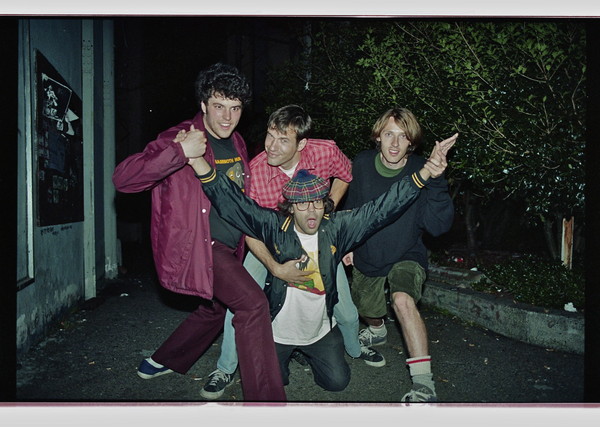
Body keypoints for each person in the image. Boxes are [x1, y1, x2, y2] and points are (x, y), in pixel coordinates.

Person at [184, 128, 456, 392]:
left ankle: (324, 349)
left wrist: (426, 172)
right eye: (301, 203)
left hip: (319, 333)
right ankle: (236, 365)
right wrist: (198, 163)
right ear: (290, 208)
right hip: (277, 334)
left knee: (337, 382)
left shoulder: (337, 227)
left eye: (316, 202)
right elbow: (232, 202)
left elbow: (385, 205)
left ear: (325, 204)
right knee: (274, 381)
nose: (310, 210)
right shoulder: (273, 227)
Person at [111, 63, 286, 402]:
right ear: (204, 105)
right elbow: (124, 179)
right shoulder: (179, 137)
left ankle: (164, 358)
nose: (227, 116)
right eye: (219, 106)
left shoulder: (236, 141)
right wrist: (179, 153)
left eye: (235, 108)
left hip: (233, 246)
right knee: (252, 305)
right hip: (203, 247)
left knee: (217, 307)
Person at [198, 105, 385, 399]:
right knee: (243, 301)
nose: (271, 146)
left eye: (282, 140)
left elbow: (345, 174)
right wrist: (273, 266)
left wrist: (329, 210)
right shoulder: (257, 170)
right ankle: (225, 368)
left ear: (302, 144)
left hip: (316, 237)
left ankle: (354, 348)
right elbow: (249, 227)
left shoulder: (324, 151)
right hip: (269, 242)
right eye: (270, 136)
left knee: (347, 312)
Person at [342, 107, 456, 402]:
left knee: (402, 300)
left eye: (403, 137)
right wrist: (350, 245)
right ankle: (377, 329)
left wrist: (437, 180)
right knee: (368, 309)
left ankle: (424, 386)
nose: (394, 144)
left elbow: (438, 226)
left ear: (411, 142)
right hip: (369, 251)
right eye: (389, 134)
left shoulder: (423, 168)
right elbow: (353, 209)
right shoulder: (363, 163)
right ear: (377, 137)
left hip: (408, 251)